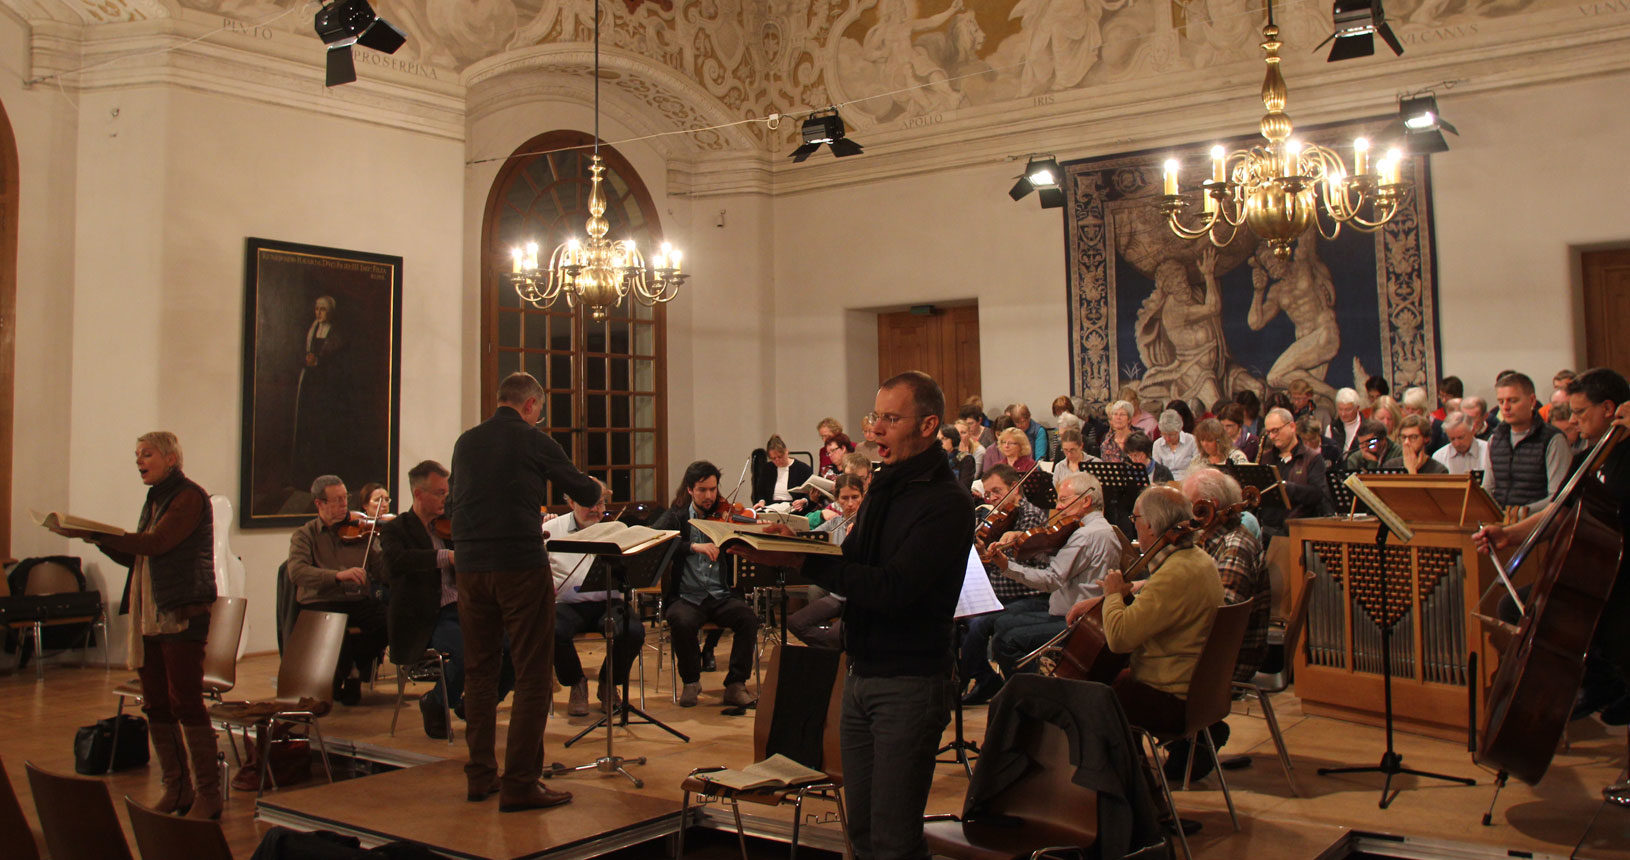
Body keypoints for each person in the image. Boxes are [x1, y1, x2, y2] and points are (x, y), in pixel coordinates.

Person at [733, 371, 974, 860]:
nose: (875, 430)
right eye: (875, 417)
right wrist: (784, 545)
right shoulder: (883, 486)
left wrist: (805, 560)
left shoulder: (946, 502)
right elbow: (852, 563)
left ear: (929, 425)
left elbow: (893, 589)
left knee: (893, 839)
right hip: (861, 672)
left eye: (891, 419)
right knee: (860, 832)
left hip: (909, 681)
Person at [448, 371, 602, 812]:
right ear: (532, 405)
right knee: (533, 673)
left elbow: (455, 503)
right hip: (518, 565)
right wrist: (597, 487)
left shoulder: (466, 443)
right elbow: (585, 490)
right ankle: (519, 782)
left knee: (480, 671)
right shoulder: (534, 440)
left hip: (471, 568)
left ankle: (479, 776)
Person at [1475, 368, 1630, 791]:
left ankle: (1605, 681)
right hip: (1595, 577)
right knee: (1515, 605)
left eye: (1581, 412)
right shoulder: (1588, 456)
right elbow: (1559, 508)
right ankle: (1593, 680)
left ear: (1610, 409)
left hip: (1623, 580)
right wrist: (1509, 534)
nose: (1574, 420)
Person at [53, 432, 222, 819]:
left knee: (186, 702)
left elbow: (157, 544)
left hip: (180, 612)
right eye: (136, 455)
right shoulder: (157, 497)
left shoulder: (189, 496)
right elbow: (141, 561)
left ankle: (208, 795)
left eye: (146, 454)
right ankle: (177, 788)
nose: (139, 461)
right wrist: (95, 539)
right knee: (157, 704)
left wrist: (102, 533)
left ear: (171, 458)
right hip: (150, 611)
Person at [1070, 486, 1223, 745]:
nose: (1134, 525)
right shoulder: (1199, 561)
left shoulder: (1173, 574)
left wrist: (1113, 595)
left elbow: (1119, 639)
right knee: (1113, 683)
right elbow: (1160, 609)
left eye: (1135, 519)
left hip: (1171, 695)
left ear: (1151, 526)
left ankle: (1131, 779)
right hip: (1203, 691)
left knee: (1093, 701)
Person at [381, 460, 511, 740]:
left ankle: (478, 703)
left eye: (446, 492)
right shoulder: (396, 529)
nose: (446, 498)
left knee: (513, 647)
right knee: (468, 653)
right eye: (440, 493)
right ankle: (437, 701)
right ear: (418, 494)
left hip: (464, 608)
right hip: (426, 617)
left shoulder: (454, 525)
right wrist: (445, 557)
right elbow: (394, 562)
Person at [1167, 469, 1270, 781]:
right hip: (1211, 651)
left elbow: (1220, 616)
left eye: (1187, 503)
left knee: (1133, 660)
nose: (1184, 512)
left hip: (1227, 658)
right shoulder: (1208, 538)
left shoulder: (1234, 545)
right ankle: (1187, 733)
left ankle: (1190, 730)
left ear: (1207, 505)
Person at [987, 471, 1120, 678]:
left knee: (1007, 640)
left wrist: (1007, 566)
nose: (1058, 506)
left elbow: (1052, 579)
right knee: (1002, 623)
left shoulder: (1086, 535)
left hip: (1075, 621)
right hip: (1068, 613)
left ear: (1085, 500)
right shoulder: (1095, 529)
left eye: (1063, 500)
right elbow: (1060, 561)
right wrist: (1023, 541)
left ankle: (1036, 694)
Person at [651, 460, 762, 708]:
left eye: (713, 489)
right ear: (690, 490)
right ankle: (691, 681)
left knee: (748, 619)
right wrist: (692, 546)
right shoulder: (677, 517)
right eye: (702, 490)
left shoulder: (725, 514)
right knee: (681, 621)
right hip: (687, 596)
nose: (709, 496)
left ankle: (736, 684)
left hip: (721, 595)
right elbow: (654, 539)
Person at [544, 479, 645, 716]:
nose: (596, 510)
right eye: (589, 503)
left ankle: (609, 683)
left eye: (600, 503)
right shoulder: (551, 530)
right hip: (568, 605)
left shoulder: (615, 529)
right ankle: (576, 683)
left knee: (633, 631)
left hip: (608, 602)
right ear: (570, 502)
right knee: (551, 629)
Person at [287, 474, 388, 706]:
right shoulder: (305, 535)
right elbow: (297, 572)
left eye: (345, 498)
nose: (344, 505)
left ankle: (353, 667)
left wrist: (384, 548)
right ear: (319, 504)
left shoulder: (360, 531)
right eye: (336, 500)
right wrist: (337, 576)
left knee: (390, 620)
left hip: (356, 599)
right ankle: (348, 673)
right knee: (336, 626)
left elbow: (380, 570)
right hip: (320, 600)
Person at [962, 465, 1052, 705]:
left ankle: (1007, 688)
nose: (993, 498)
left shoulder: (1030, 515)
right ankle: (984, 678)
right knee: (960, 623)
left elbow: (1026, 560)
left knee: (978, 626)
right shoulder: (993, 519)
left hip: (1028, 597)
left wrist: (993, 554)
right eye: (989, 493)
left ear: (1016, 488)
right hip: (998, 597)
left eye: (998, 491)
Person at [787, 473, 867, 651]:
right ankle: (838, 654)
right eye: (844, 498)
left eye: (855, 497)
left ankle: (838, 653)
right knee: (796, 623)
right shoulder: (835, 524)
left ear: (863, 496)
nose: (851, 503)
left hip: (858, 598)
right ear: (837, 500)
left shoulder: (869, 525)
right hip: (838, 595)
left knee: (834, 635)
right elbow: (806, 536)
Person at [1488, 371, 1570, 512]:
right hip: (1500, 521)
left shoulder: (1553, 439)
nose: (1505, 407)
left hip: (1537, 524)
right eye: (1501, 402)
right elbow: (1488, 488)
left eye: (1512, 400)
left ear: (1532, 401)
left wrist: (1519, 512)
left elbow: (1559, 496)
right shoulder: (1495, 438)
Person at [1260, 406, 1333, 529]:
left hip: (1299, 529)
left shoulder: (1312, 458)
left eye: (1276, 430)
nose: (1272, 436)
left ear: (1292, 427)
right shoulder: (1266, 458)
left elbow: (1318, 494)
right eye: (1269, 432)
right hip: (1269, 529)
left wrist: (1288, 488)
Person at [1434, 411, 1496, 490]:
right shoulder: (1439, 456)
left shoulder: (1488, 450)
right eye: (1452, 439)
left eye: (1461, 437)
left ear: (1473, 430)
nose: (1457, 443)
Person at [752, 434, 814, 510]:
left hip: (794, 507)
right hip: (771, 507)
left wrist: (803, 501)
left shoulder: (803, 469)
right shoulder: (767, 469)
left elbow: (811, 493)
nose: (777, 460)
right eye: (773, 458)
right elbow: (761, 492)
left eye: (780, 457)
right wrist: (761, 501)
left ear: (786, 452)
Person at [1384, 415, 1448, 474]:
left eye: (1413, 437)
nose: (1406, 442)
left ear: (1426, 438)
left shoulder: (1439, 470)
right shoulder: (1390, 466)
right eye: (1403, 437)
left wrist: (1412, 470)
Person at [1151, 409, 1199, 477]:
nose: (1167, 438)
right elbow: (1156, 470)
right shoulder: (1157, 444)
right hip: (1166, 481)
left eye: (1171, 435)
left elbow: (1196, 467)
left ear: (1179, 430)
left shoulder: (1192, 441)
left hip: (1187, 479)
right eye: (1164, 434)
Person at [1328, 387, 1364, 458]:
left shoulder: (1367, 427)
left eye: (1348, 410)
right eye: (1340, 409)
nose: (1343, 414)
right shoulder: (1332, 428)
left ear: (1357, 408)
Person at [940, 425, 977, 489]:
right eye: (938, 439)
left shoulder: (966, 458)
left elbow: (964, 487)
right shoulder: (935, 459)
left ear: (953, 439)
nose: (940, 442)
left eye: (944, 439)